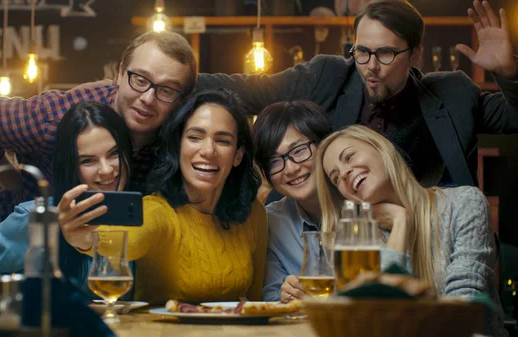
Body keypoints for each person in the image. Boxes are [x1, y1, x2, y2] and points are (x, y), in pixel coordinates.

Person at [197, 0, 518, 188]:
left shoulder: (454, 94)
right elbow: (248, 91)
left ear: (416, 53)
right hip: (336, 238)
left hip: (427, 241)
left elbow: (512, 116)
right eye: (362, 52)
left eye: (386, 54)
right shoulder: (328, 76)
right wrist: (171, 79)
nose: (370, 67)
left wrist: (508, 72)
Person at [0, 101, 134, 334]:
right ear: (71, 167)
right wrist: (20, 300)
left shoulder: (139, 221)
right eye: (88, 160)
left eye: (114, 154)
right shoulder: (37, 217)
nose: (107, 170)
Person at [0, 31, 197, 219]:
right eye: (140, 80)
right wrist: (13, 181)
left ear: (182, 100)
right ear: (121, 73)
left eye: (166, 90)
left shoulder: (183, 137)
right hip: (27, 246)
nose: (147, 99)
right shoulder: (52, 119)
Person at [58, 89, 267, 305]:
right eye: (195, 137)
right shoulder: (158, 210)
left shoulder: (254, 214)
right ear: (178, 147)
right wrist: (83, 239)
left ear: (237, 155)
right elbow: (128, 243)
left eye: (223, 141)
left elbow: (255, 302)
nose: (208, 151)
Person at [315, 124, 507, 337]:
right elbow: (375, 320)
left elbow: (462, 306)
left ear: (381, 148)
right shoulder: (360, 241)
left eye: (349, 157)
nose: (344, 174)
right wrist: (400, 224)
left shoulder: (464, 203)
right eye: (335, 177)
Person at [251, 101, 331, 302]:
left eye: (298, 151)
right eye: (275, 161)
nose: (291, 169)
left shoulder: (362, 204)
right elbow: (271, 296)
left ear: (324, 144)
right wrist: (285, 296)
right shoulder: (271, 221)